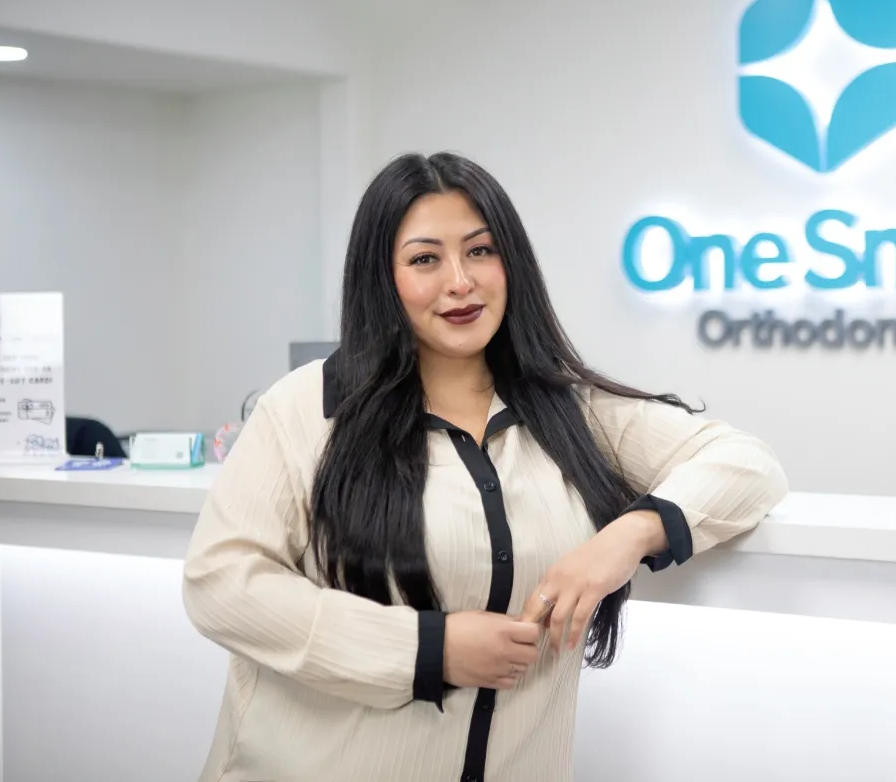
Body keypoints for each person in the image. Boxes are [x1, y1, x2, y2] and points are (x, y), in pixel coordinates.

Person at [182, 152, 789, 782]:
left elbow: (747, 464)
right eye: (425, 259)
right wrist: (428, 650)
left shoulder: (570, 411)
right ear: (381, 278)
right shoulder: (308, 407)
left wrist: (627, 538)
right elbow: (221, 585)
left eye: (479, 251)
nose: (460, 282)